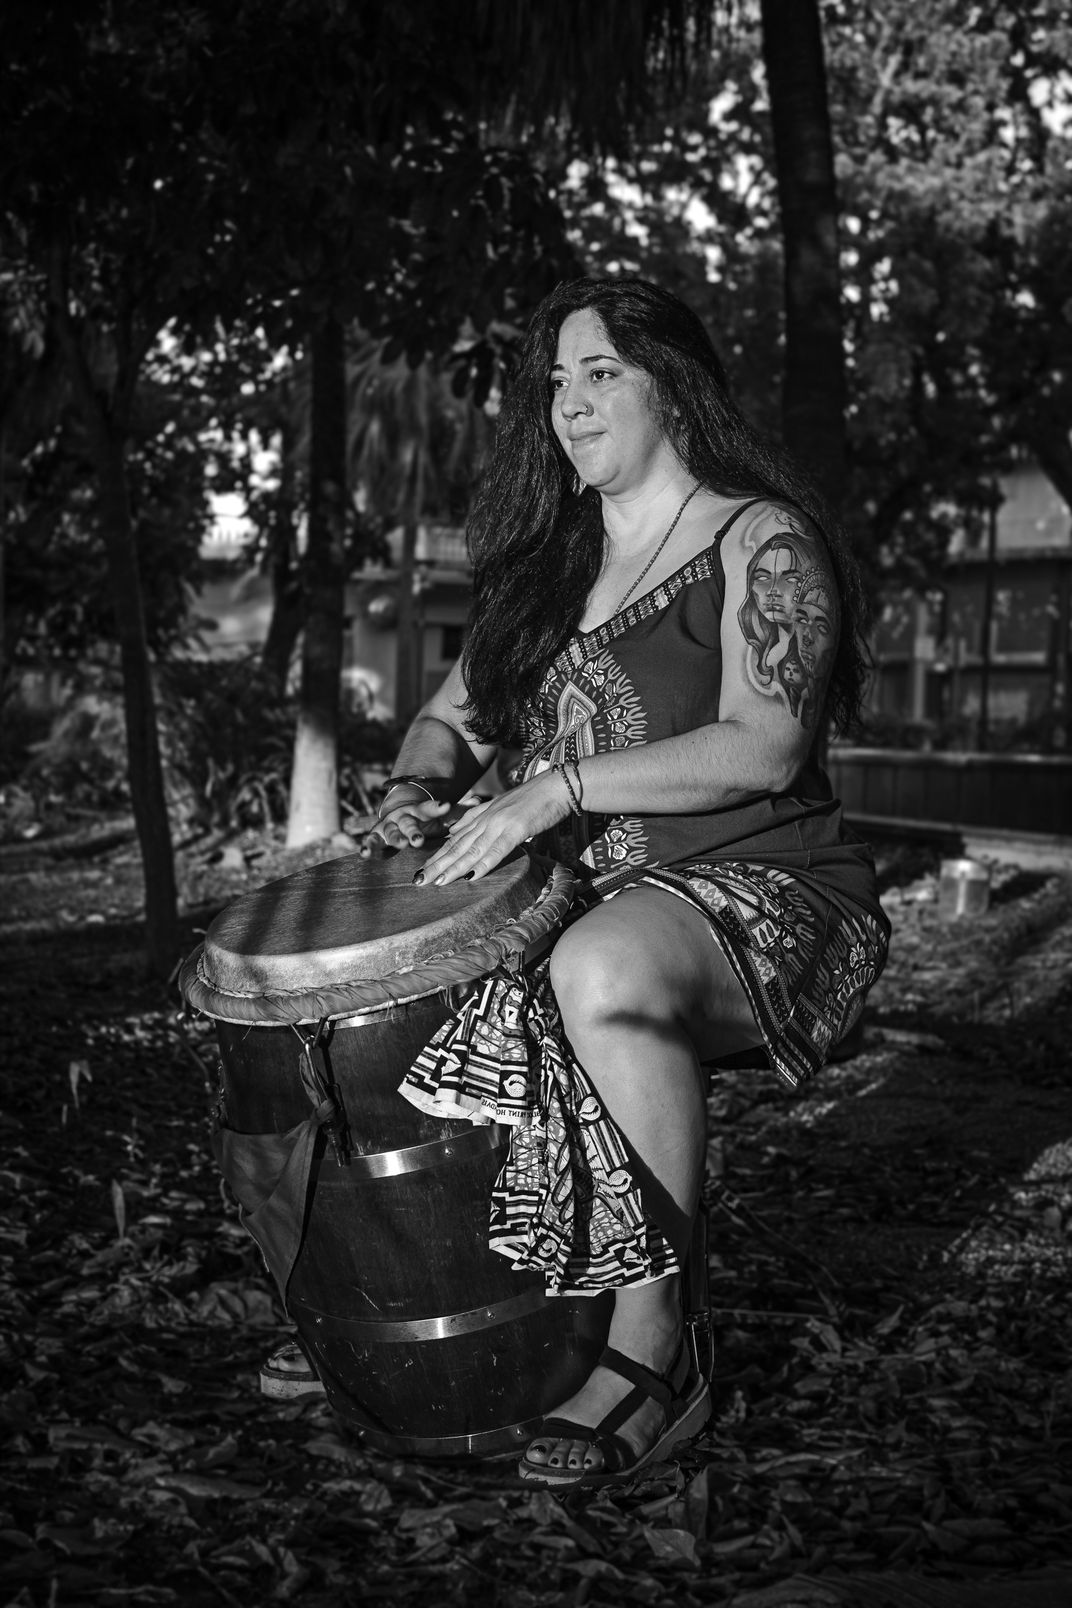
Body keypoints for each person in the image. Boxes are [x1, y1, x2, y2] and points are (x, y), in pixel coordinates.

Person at [362, 276, 890, 1491]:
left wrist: (555, 790)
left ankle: (658, 1349)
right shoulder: (542, 573)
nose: (570, 402)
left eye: (601, 372)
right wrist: (407, 793)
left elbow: (762, 746)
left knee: (591, 968)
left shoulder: (757, 539)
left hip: (773, 890)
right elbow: (446, 726)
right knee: (392, 991)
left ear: (674, 386)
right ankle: (395, 1299)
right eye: (555, 380)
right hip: (591, 906)